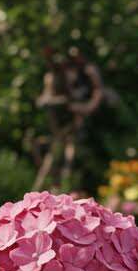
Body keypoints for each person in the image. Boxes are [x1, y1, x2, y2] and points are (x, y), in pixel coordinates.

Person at [34, 47, 104, 190]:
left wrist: (84, 107)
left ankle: (66, 185)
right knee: (56, 154)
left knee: (69, 155)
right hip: (61, 121)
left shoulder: (86, 72)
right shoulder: (54, 76)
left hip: (74, 120)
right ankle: (50, 186)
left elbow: (94, 93)